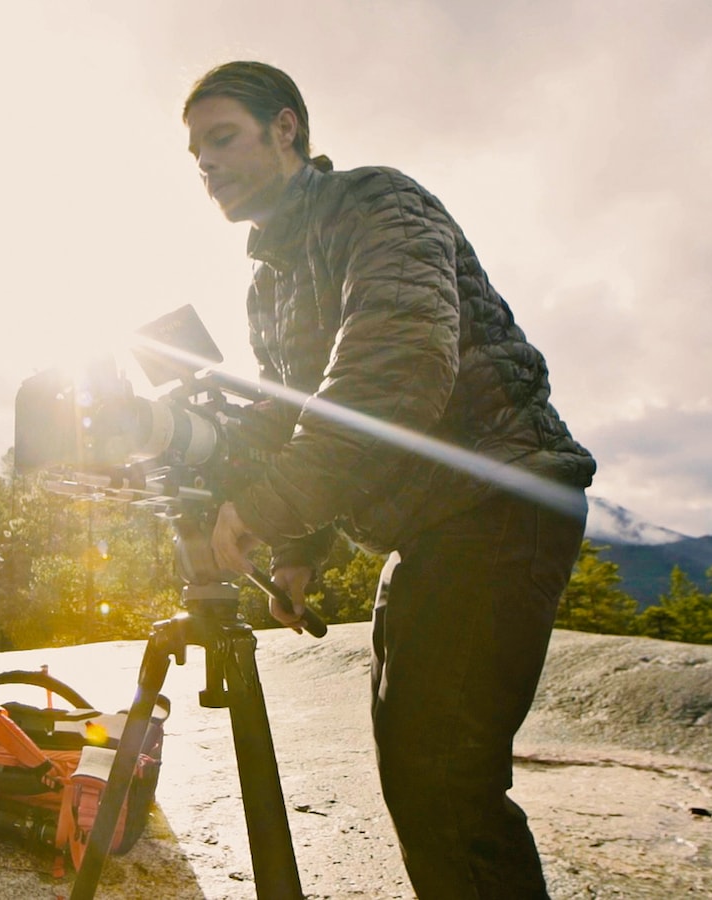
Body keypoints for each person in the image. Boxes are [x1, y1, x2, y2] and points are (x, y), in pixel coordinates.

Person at [187, 61, 596, 898]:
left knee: (444, 781)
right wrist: (299, 548)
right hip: (437, 524)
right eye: (196, 153)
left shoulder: (376, 203)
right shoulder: (270, 280)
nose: (207, 164)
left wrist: (268, 505)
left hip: (498, 498)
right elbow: (302, 411)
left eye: (223, 137)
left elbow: (396, 369)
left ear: (287, 129)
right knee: (423, 773)